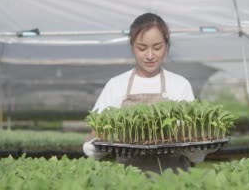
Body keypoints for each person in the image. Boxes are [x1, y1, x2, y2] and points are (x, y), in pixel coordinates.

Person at [82, 13, 202, 172]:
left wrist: (197, 152)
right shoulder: (116, 85)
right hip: (129, 181)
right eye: (142, 48)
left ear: (166, 45)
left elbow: (192, 138)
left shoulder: (180, 85)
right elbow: (96, 134)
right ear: (132, 46)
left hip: (174, 181)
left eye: (157, 47)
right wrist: (93, 147)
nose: (150, 55)